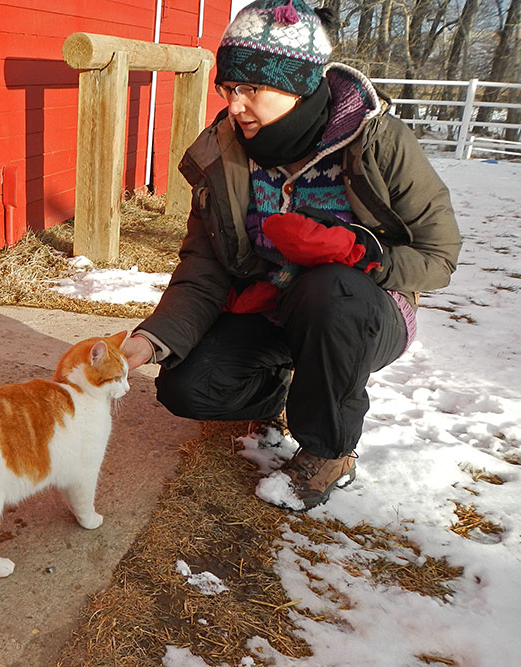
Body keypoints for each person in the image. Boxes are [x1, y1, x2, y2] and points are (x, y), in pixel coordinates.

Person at [123, 0, 462, 510]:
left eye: (250, 89)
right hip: (270, 307)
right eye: (228, 89)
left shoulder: (377, 140)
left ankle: (329, 451)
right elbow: (203, 266)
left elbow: (439, 256)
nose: (235, 106)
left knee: (331, 288)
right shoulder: (224, 152)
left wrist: (360, 252)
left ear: (299, 84)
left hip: (363, 312)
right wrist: (153, 339)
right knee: (187, 389)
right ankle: (280, 391)